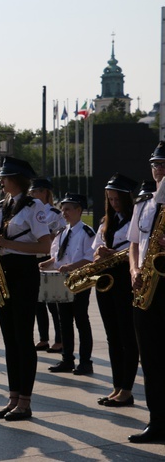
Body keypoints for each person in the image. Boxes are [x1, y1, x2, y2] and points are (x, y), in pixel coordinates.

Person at [0, 156, 51, 421]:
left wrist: (6, 243)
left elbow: (44, 246)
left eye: (5, 177)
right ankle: (12, 398)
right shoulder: (2, 207)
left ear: (17, 179)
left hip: (24, 273)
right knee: (10, 340)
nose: (0, 182)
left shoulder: (33, 205)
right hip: (4, 272)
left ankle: (25, 401)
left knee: (23, 339)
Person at [126, 141, 165, 443]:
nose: (159, 170)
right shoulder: (144, 204)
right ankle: (157, 421)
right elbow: (134, 245)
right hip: (146, 285)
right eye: (155, 165)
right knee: (149, 358)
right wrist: (134, 271)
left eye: (163, 165)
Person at [92, 173, 138, 407]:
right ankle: (117, 385)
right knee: (112, 337)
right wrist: (98, 256)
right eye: (110, 199)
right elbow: (95, 251)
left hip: (124, 279)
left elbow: (137, 250)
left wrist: (113, 256)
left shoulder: (136, 221)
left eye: (117, 199)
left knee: (127, 337)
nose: (113, 203)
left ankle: (127, 389)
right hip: (106, 280)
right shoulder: (104, 222)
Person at [39, 193, 95, 375]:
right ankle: (67, 359)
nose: (64, 213)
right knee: (64, 321)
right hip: (61, 280)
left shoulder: (87, 232)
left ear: (79, 210)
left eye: (68, 209)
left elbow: (90, 258)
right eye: (63, 209)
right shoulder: (63, 232)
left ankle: (85, 361)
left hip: (79, 280)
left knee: (81, 320)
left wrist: (71, 266)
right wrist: (48, 263)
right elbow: (58, 255)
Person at [29, 178, 65, 354]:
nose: (32, 194)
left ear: (44, 192)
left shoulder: (54, 214)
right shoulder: (30, 211)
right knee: (37, 302)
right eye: (32, 192)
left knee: (52, 302)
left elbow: (61, 236)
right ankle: (43, 338)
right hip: (33, 258)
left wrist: (48, 236)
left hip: (48, 257)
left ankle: (59, 340)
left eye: (35, 191)